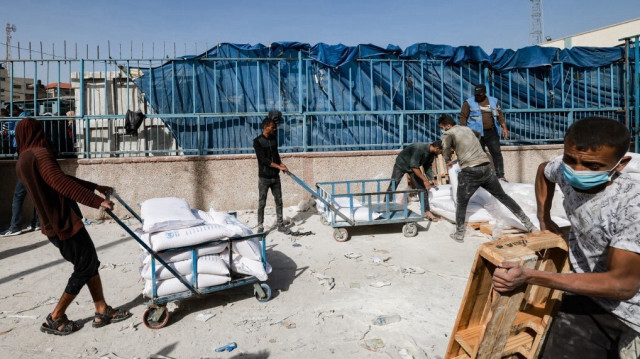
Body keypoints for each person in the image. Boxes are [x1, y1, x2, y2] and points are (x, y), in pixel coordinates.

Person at [492, 117, 640, 359]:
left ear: (621, 164)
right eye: (571, 160)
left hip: (629, 312)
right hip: (588, 290)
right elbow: (543, 171)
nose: (577, 171)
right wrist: (544, 217)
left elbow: (623, 285)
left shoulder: (632, 206)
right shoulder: (564, 169)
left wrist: (530, 276)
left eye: (592, 166)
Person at [14, 117, 132, 335]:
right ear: (38, 131)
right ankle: (55, 317)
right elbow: (61, 183)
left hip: (52, 223)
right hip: (64, 222)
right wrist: (97, 201)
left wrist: (94, 187)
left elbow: (58, 178)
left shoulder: (23, 160)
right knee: (85, 266)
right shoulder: (41, 154)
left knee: (89, 261)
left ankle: (102, 309)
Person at [438, 114, 535, 242]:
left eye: (443, 128)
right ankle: (529, 225)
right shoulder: (466, 129)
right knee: (503, 197)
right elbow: (478, 135)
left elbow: (445, 148)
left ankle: (459, 233)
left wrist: (447, 160)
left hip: (470, 171)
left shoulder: (448, 133)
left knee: (461, 202)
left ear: (448, 126)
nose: (443, 130)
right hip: (486, 168)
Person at [1, 106, 40, 237]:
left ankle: (15, 226)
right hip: (34, 164)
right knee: (37, 194)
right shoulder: (40, 142)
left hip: (26, 165)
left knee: (18, 196)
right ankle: (38, 222)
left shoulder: (22, 122)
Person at [460, 84, 509, 181]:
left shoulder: (494, 101)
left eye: (480, 94)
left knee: (496, 153)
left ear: (485, 93)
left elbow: (500, 115)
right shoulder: (468, 103)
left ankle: (500, 175)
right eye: (476, 94)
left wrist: (504, 127)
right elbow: (463, 117)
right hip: (476, 133)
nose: (478, 96)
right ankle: (480, 177)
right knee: (478, 155)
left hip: (491, 132)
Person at [385, 141, 443, 221]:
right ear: (437, 148)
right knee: (393, 185)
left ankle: (426, 211)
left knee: (422, 189)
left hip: (413, 167)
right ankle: (385, 207)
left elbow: (427, 166)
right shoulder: (419, 149)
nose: (441, 153)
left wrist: (431, 178)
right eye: (441, 151)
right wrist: (425, 180)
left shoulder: (431, 154)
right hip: (401, 164)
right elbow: (414, 167)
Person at [253, 117, 289, 234]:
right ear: (266, 127)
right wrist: (279, 167)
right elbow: (264, 160)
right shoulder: (257, 141)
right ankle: (260, 227)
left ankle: (280, 224)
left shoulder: (274, 139)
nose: (275, 129)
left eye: (275, 127)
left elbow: (276, 154)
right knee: (262, 202)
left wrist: (281, 164)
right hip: (264, 178)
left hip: (275, 177)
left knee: (279, 201)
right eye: (273, 127)